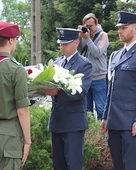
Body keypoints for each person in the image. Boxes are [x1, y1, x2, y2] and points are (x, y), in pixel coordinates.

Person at [0, 21, 31, 169]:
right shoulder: (16, 69)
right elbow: (22, 110)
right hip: (8, 134)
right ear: (10, 40)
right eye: (15, 39)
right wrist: (27, 141)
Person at [42, 28, 92, 170]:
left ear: (76, 42)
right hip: (57, 121)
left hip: (73, 123)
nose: (62, 47)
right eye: (61, 44)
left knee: (74, 165)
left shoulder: (84, 64)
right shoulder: (57, 62)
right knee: (59, 165)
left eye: (66, 44)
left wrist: (57, 92)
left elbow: (81, 92)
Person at [100, 11, 136, 170]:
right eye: (119, 27)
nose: (119, 31)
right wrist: (105, 116)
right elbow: (111, 88)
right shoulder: (115, 55)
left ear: (135, 28)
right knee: (118, 165)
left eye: (124, 27)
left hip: (131, 123)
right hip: (114, 121)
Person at [78, 13, 109, 120]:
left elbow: (97, 53)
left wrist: (87, 39)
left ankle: (101, 134)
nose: (89, 28)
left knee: (101, 109)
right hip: (86, 77)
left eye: (90, 26)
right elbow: (78, 52)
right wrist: (78, 36)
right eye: (86, 26)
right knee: (87, 110)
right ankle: (90, 134)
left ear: (97, 24)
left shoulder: (103, 35)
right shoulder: (84, 35)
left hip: (98, 77)